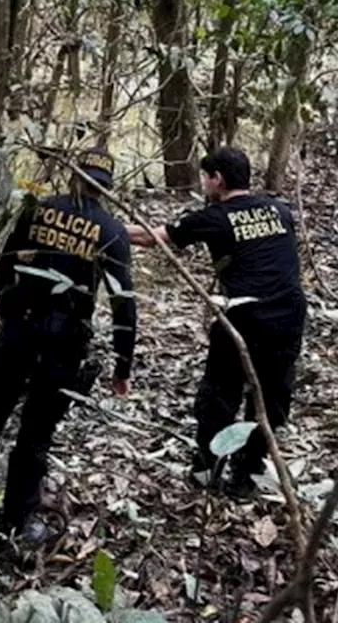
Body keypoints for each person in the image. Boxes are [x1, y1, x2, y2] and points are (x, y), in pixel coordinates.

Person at [0, 148, 136, 549]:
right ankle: (18, 521)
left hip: (18, 330)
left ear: (72, 177)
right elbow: (124, 303)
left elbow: (7, 262)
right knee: (35, 434)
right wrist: (123, 366)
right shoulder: (111, 230)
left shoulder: (39, 209)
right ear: (106, 189)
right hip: (64, 343)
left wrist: (8, 305)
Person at [127, 146, 306, 496]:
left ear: (217, 179)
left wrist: (101, 226)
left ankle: (209, 470)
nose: (204, 184)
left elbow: (149, 237)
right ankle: (247, 475)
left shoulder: (214, 217)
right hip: (289, 316)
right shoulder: (281, 211)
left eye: (206, 178)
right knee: (271, 399)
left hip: (244, 319)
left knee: (218, 396)